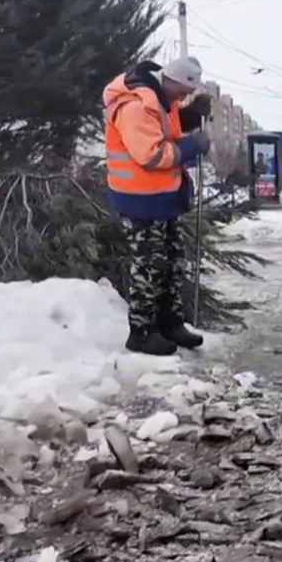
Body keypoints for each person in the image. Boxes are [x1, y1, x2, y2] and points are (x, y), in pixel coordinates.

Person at [102, 57, 212, 356]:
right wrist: (193, 146)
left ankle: (170, 324)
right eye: (184, 91)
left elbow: (165, 128)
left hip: (162, 197)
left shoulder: (161, 98)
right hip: (139, 199)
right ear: (171, 80)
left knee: (172, 262)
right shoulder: (135, 106)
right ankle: (141, 333)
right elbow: (151, 154)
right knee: (149, 265)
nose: (184, 97)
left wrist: (192, 115)